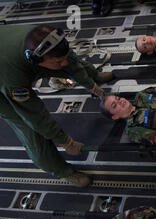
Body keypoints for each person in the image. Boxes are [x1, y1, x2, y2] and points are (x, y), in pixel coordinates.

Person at [0, 24, 115, 187]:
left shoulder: (45, 40)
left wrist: (92, 85)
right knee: (29, 128)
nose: (64, 62)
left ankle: (94, 75)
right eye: (58, 60)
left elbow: (71, 63)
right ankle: (63, 172)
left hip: (14, 53)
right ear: (37, 60)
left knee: (68, 63)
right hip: (4, 75)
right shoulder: (14, 79)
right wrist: (66, 142)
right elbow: (35, 116)